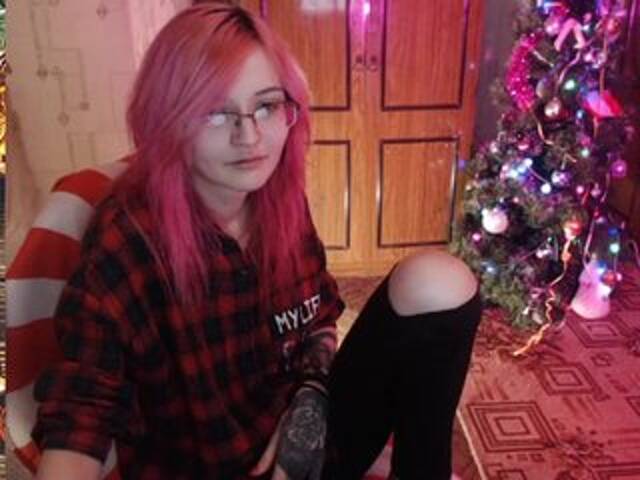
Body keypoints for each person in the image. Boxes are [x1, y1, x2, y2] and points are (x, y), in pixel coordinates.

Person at [32, 3, 482, 480]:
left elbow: (318, 318)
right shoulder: (126, 243)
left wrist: (311, 396)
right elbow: (82, 412)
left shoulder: (277, 199)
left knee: (440, 279)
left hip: (311, 435)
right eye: (215, 113)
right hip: (218, 467)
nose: (249, 137)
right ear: (167, 120)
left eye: (266, 105)